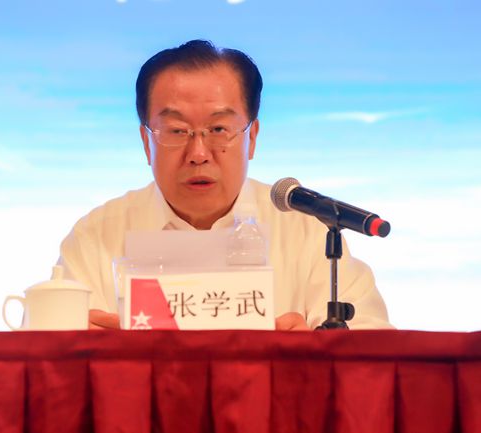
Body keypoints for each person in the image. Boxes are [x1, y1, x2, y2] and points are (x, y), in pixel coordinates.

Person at [57, 40, 392, 330]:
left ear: (252, 137)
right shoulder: (96, 236)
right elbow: (50, 346)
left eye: (218, 130)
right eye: (177, 131)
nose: (198, 154)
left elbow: (371, 343)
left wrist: (309, 353)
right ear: (147, 142)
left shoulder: (305, 231)